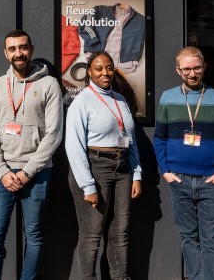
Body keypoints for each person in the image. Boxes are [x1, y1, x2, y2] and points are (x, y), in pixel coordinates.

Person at [153, 46, 214, 280]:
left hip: (211, 181)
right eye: (186, 69)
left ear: (204, 67)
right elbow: (160, 138)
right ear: (177, 70)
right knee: (188, 238)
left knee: (211, 239)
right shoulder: (168, 98)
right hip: (179, 179)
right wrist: (165, 171)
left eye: (196, 68)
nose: (192, 74)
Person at [0, 29, 63, 280]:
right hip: (2, 176)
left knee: (34, 235)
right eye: (13, 49)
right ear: (6, 53)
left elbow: (54, 134)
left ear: (31, 49)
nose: (19, 53)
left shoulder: (49, 84)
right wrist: (3, 172)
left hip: (37, 174)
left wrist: (28, 172)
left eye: (23, 47)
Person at [65, 51, 142, 280]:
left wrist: (136, 173)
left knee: (121, 231)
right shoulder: (82, 101)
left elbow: (131, 139)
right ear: (89, 72)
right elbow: (74, 145)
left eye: (109, 68)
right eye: (99, 68)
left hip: (123, 168)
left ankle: (120, 277)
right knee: (91, 234)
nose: (105, 73)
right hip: (95, 168)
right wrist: (88, 186)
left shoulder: (120, 99)